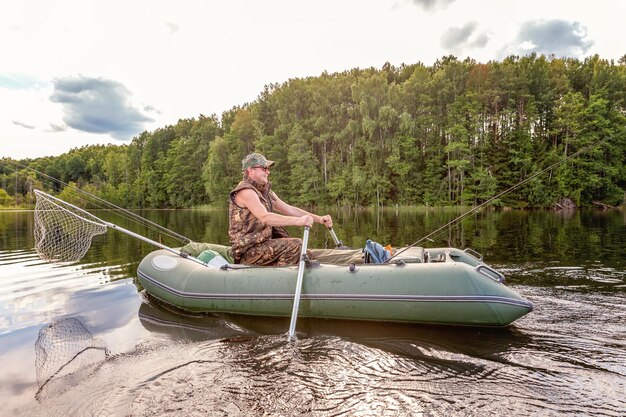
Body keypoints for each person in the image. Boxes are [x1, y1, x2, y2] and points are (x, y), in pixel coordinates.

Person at [228, 153, 333, 266]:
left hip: (264, 245)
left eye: (268, 169)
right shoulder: (246, 191)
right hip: (247, 252)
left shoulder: (265, 192)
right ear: (250, 170)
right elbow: (265, 217)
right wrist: (298, 221)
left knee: (305, 253)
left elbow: (289, 209)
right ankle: (281, 276)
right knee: (296, 245)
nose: (268, 172)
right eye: (264, 168)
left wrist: (319, 219)